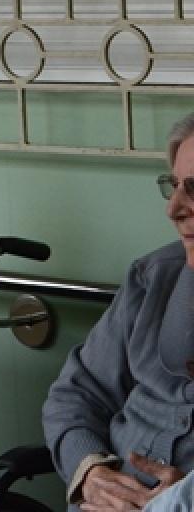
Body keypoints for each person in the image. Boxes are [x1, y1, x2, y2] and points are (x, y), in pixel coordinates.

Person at [42, 114, 194, 511]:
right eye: (174, 187)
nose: (174, 209)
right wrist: (92, 472)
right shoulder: (152, 279)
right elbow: (75, 394)